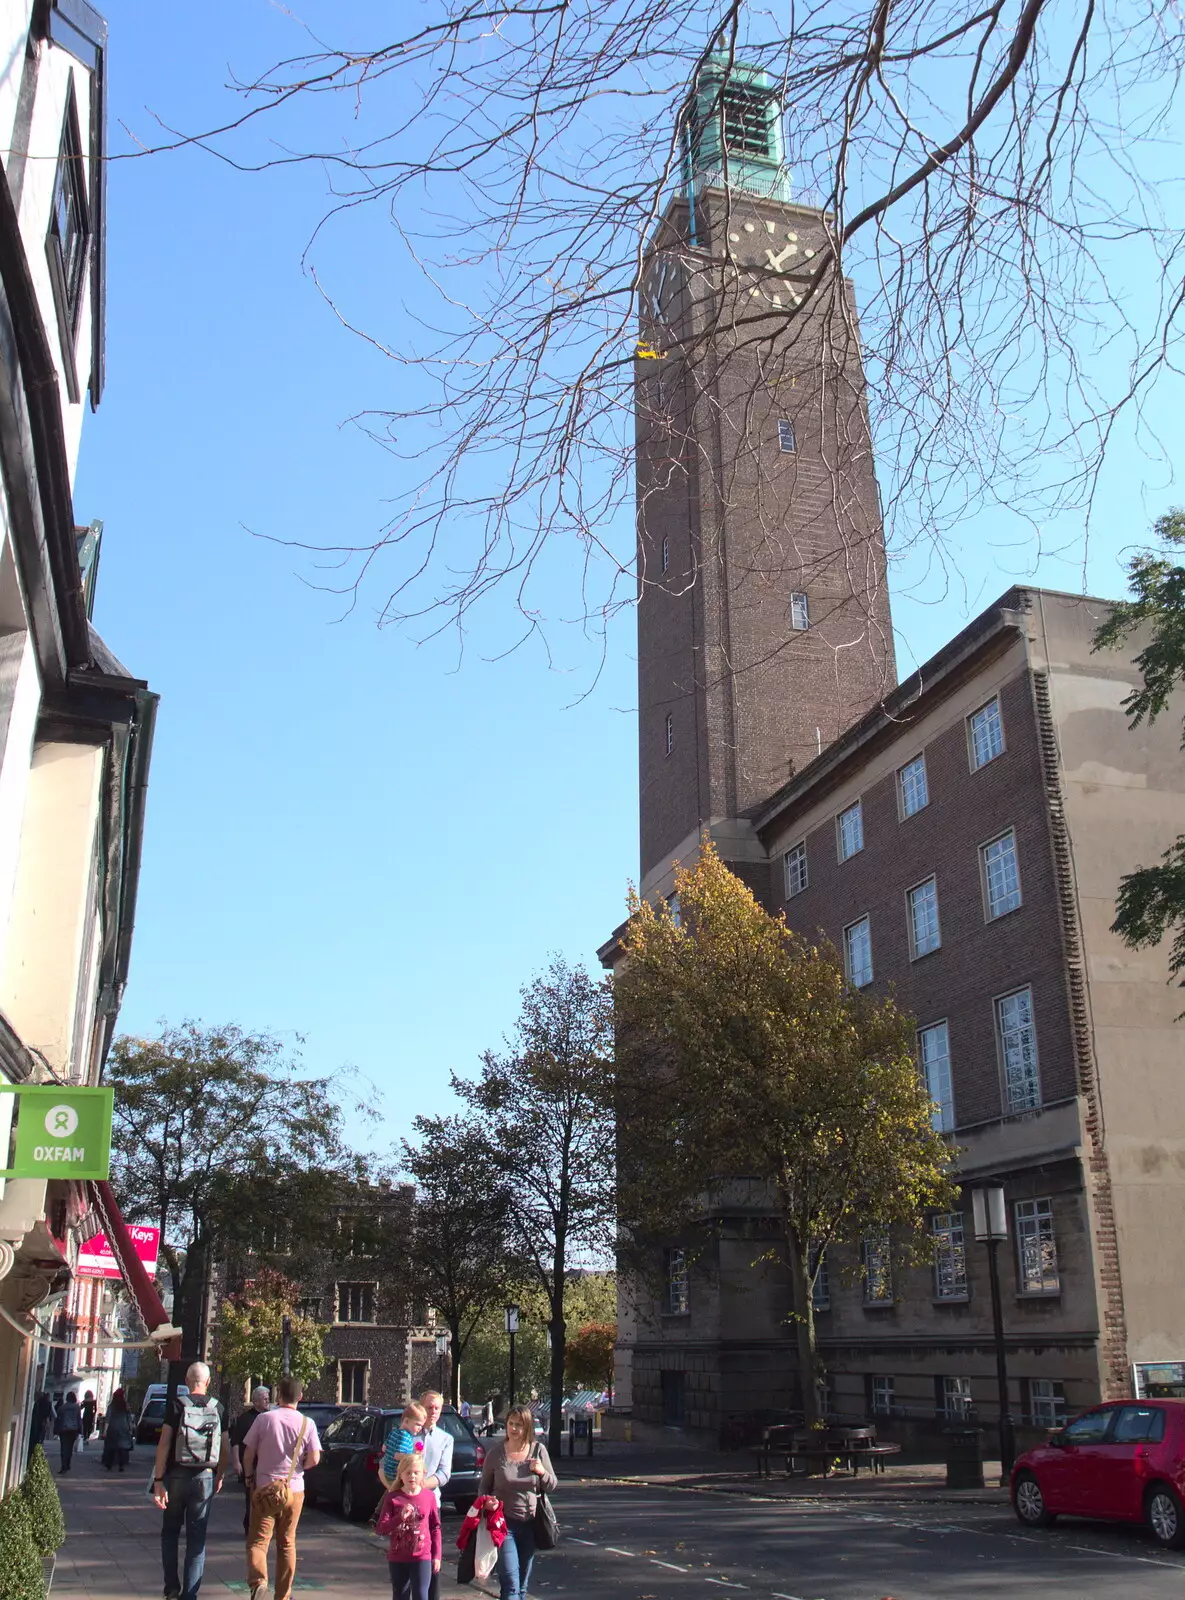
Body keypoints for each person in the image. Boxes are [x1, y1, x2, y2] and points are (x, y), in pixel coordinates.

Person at [152, 1362, 228, 1600]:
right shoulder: (219, 1408)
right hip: (204, 1477)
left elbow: (164, 1443)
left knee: (170, 1533)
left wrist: (158, 1480)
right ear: (207, 1382)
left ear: (187, 1381)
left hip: (176, 1476)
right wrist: (220, 1474)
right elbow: (225, 1446)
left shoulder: (176, 1405)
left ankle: (172, 1589)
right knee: (197, 1540)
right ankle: (190, 1595)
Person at [242, 1375, 321, 1600]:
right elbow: (315, 1458)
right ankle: (283, 1595)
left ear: (278, 1395)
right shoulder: (308, 1423)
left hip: (265, 1486)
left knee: (258, 1540)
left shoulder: (264, 1419)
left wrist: (249, 1477)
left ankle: (259, 1583)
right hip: (293, 1489)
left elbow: (249, 1453)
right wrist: (299, 1468)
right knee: (287, 1542)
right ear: (300, 1397)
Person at [478, 1404, 557, 1600]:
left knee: (522, 1586)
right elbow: (483, 1487)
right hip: (504, 1524)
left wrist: (541, 1472)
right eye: (510, 1424)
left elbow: (552, 1484)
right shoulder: (496, 1454)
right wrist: (486, 1502)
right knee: (511, 1585)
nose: (514, 1429)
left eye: (519, 1425)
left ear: (527, 1427)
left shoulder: (538, 1450)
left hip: (531, 1522)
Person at [382, 1449, 441, 1600]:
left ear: (423, 1474)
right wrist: (399, 1518)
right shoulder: (393, 1497)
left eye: (416, 1472)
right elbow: (381, 1528)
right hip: (398, 1557)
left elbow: (435, 1527)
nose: (412, 1476)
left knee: (421, 1595)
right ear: (401, 1474)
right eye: (408, 1473)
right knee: (400, 1595)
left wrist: (437, 1555)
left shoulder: (429, 1497)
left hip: (422, 1557)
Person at [415, 1392, 454, 1600]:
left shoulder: (446, 1439)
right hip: (407, 1504)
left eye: (437, 1408)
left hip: (431, 1503)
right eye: (429, 1407)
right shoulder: (407, 1434)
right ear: (421, 1407)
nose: (433, 1412)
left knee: (432, 1557)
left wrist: (421, 1485)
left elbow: (444, 1473)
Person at [230, 1387, 271, 1534]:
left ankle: (263, 1525)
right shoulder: (245, 1419)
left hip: (266, 1465)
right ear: (255, 1401)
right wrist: (236, 1462)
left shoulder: (270, 1417)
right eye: (264, 1398)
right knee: (252, 1496)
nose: (268, 1400)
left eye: (268, 1397)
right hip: (250, 1465)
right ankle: (250, 1525)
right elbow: (235, 1441)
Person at [379, 1399, 426, 1490]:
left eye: (421, 1426)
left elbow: (384, 1448)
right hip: (396, 1477)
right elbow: (398, 1455)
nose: (420, 1428)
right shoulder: (405, 1437)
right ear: (406, 1421)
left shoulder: (394, 1431)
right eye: (418, 1424)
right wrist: (415, 1455)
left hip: (387, 1473)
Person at [102, 1389, 134, 1472]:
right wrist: (130, 1429)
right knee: (122, 1448)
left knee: (111, 1447)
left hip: (113, 1428)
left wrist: (105, 1431)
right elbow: (129, 1419)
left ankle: (109, 1464)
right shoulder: (126, 1406)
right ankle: (121, 1465)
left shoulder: (111, 1406)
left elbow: (107, 1420)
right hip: (124, 1428)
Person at [55, 1391, 82, 1474]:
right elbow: (79, 1419)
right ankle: (68, 1464)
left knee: (63, 1447)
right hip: (73, 1430)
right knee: (70, 1448)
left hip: (64, 1429)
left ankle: (63, 1466)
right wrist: (80, 1430)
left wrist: (56, 1430)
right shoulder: (77, 1407)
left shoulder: (63, 1407)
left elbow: (58, 1417)